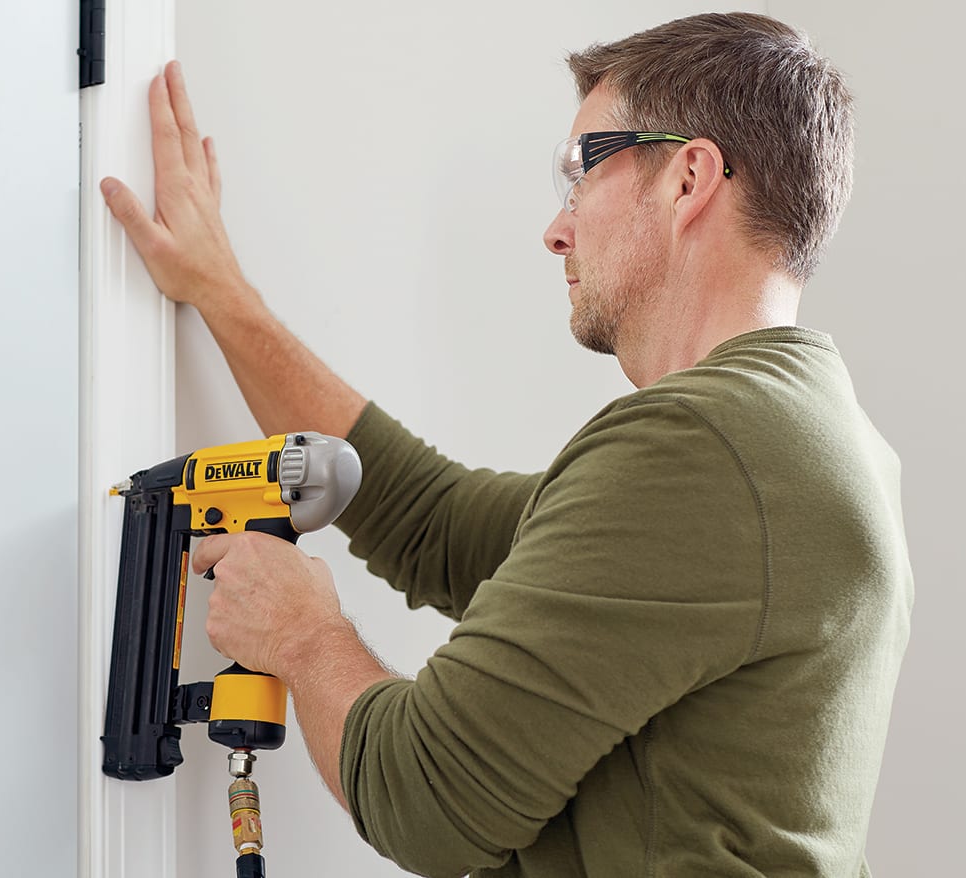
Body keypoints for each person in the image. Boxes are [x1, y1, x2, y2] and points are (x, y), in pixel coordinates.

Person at [99, 12, 912, 878]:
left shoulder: (704, 448)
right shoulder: (800, 438)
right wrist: (222, 293)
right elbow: (432, 521)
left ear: (688, 179)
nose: (557, 229)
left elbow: (427, 799)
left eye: (582, 171)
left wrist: (303, 634)